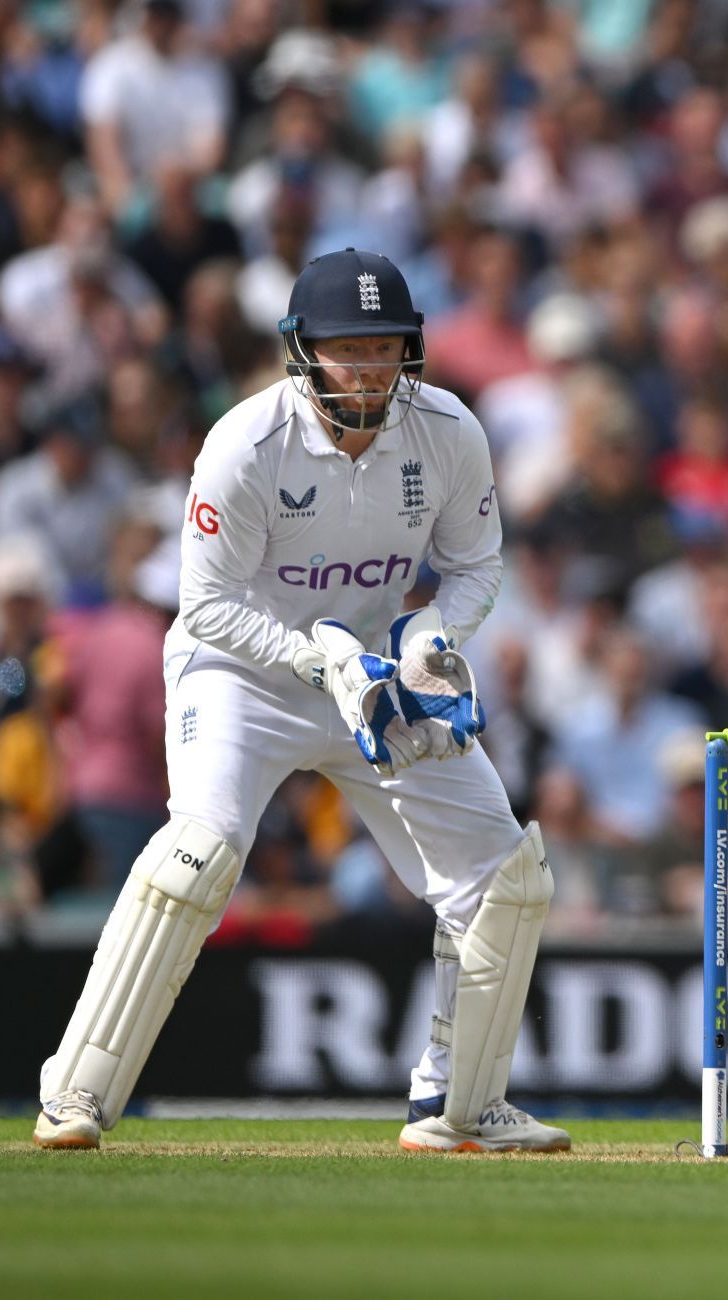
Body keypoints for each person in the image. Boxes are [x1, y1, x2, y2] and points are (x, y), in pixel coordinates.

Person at [32, 249, 568, 1156]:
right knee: (199, 853)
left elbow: (476, 565)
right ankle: (75, 1094)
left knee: (506, 877)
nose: (367, 370)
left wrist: (430, 639)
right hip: (242, 670)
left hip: (377, 680)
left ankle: (458, 1106)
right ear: (302, 351)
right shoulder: (245, 444)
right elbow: (205, 604)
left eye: (385, 348)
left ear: (411, 352)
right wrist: (322, 665)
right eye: (346, 349)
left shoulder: (448, 431)